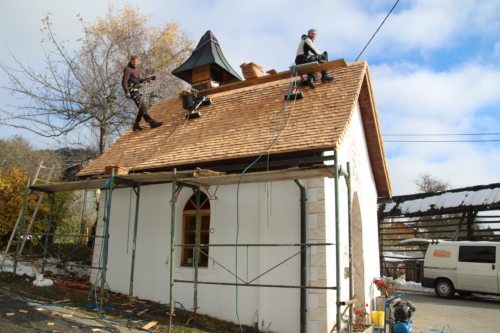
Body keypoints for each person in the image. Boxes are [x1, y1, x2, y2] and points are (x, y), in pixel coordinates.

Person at [122, 55, 163, 131]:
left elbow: (139, 80)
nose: (135, 63)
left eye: (136, 61)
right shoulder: (127, 69)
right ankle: (151, 122)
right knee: (142, 107)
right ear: (130, 61)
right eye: (133, 61)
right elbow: (124, 82)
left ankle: (136, 125)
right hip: (132, 91)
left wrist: (148, 79)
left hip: (137, 91)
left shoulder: (136, 70)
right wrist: (127, 92)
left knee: (143, 107)